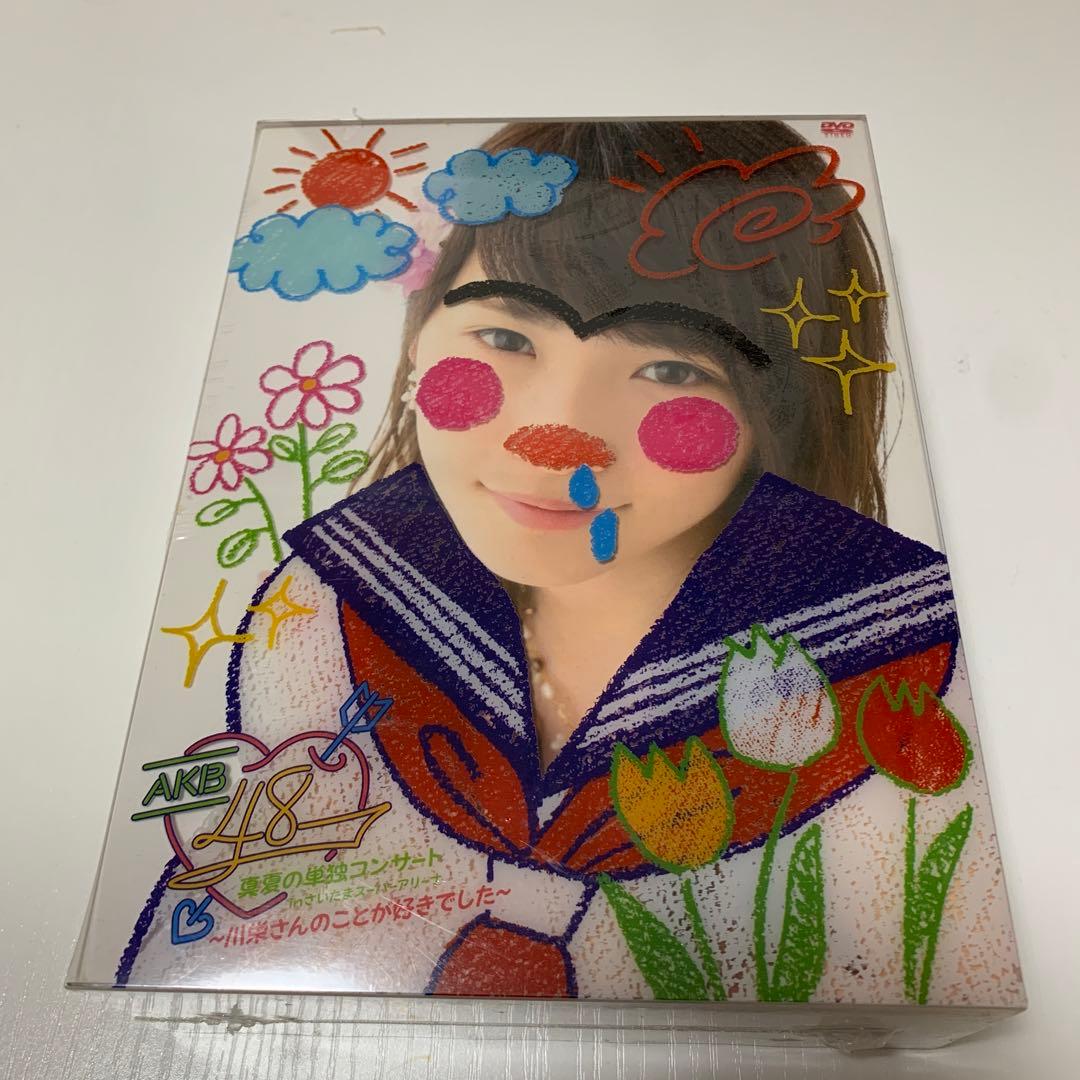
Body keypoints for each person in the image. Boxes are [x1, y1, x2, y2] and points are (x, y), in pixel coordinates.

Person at [123, 120, 970, 1000]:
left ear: (788, 405)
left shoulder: (903, 670)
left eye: (673, 371)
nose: (556, 436)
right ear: (418, 337)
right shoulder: (333, 599)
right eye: (506, 339)